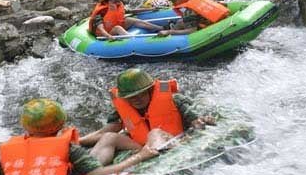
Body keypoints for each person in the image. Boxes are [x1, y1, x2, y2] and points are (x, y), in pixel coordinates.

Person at [0, 98, 157, 175]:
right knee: (110, 139)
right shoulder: (67, 148)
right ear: (61, 125)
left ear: (25, 126)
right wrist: (140, 157)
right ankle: (141, 148)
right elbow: (97, 174)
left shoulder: (8, 153)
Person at [79, 68, 215, 164]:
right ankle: (90, 169)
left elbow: (195, 121)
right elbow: (104, 132)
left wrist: (200, 122)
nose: (136, 100)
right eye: (131, 97)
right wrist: (76, 141)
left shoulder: (174, 99)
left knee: (154, 133)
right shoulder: (123, 109)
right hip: (143, 148)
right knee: (109, 137)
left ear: (150, 90)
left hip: (170, 143)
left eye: (141, 94)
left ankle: (152, 163)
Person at [88, 0, 162, 39]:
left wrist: (151, 9)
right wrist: (108, 36)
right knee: (118, 28)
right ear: (106, 2)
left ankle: (161, 28)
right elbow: (100, 28)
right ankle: (133, 40)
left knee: (130, 20)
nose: (116, 0)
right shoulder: (101, 12)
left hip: (114, 26)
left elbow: (132, 11)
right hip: (106, 32)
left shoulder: (117, 6)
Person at [157, 0, 230, 36]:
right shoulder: (200, 0)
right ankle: (170, 27)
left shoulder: (188, 11)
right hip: (224, 19)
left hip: (212, 28)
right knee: (180, 21)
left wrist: (170, 32)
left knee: (180, 23)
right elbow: (224, 5)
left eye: (174, 1)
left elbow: (192, 31)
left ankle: (169, 29)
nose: (173, 3)